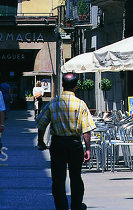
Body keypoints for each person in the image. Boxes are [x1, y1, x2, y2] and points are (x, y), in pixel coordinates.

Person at [37, 73, 95, 210]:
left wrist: (41, 141)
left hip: (58, 144)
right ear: (76, 86)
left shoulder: (53, 103)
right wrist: (88, 148)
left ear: (62, 84)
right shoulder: (81, 104)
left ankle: (61, 207)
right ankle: (76, 206)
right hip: (74, 144)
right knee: (76, 177)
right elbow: (86, 129)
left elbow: (41, 124)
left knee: (58, 178)